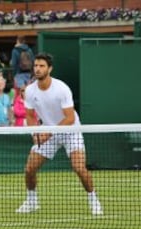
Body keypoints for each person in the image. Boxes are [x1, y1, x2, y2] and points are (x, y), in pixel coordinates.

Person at [15, 53, 103, 215]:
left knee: (78, 167)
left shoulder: (61, 89)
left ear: (50, 69)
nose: (38, 69)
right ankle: (32, 202)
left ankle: (93, 200)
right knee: (29, 169)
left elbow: (69, 118)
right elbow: (29, 115)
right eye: (36, 66)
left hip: (70, 130)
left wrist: (47, 133)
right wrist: (35, 132)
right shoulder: (29, 91)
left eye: (42, 66)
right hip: (47, 132)